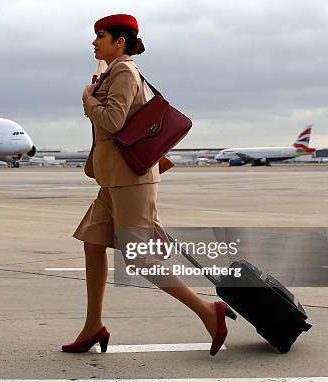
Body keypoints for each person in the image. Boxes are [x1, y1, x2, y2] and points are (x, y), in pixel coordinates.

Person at [62, 14, 235, 355]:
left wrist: (88, 99)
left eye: (101, 36)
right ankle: (93, 325)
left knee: (141, 259)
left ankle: (208, 312)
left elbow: (111, 120)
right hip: (114, 178)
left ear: (120, 42)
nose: (95, 43)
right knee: (93, 243)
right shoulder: (112, 73)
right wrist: (96, 92)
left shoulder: (125, 71)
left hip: (131, 179)